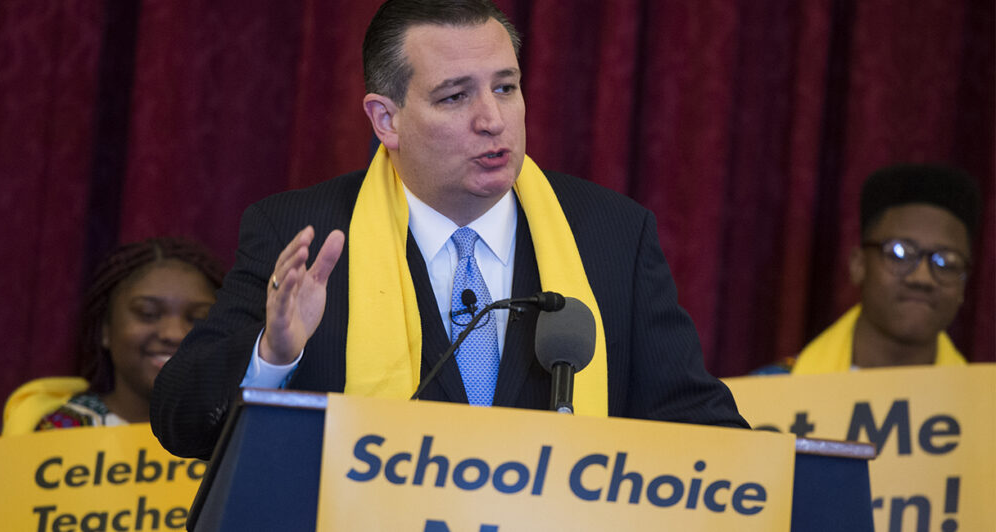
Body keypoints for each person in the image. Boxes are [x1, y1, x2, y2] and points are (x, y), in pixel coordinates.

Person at [151, 0, 748, 459]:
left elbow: (694, 423)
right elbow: (181, 422)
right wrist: (273, 356)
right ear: (386, 118)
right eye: (455, 96)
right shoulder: (301, 233)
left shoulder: (612, 233)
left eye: (506, 88)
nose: (492, 120)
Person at [756, 164, 980, 375]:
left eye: (947, 262)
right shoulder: (769, 397)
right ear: (858, 264)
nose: (922, 277)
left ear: (963, 286)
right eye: (899, 252)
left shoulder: (986, 407)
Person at [28, 237, 225, 430]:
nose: (175, 334)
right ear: (105, 329)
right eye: (148, 313)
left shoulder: (237, 430)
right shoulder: (64, 429)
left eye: (199, 318)